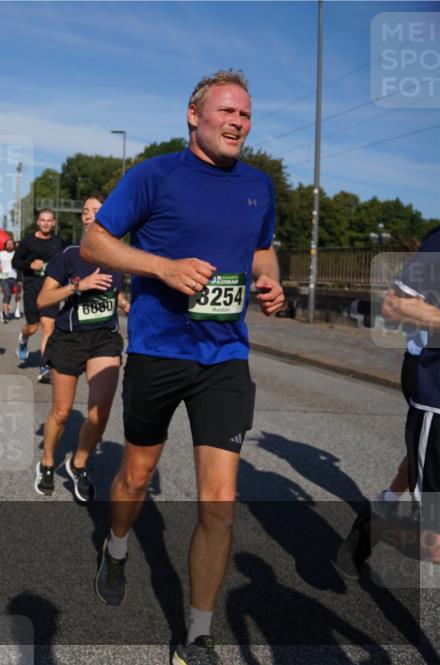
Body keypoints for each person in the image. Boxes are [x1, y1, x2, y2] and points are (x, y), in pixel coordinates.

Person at [80, 70, 285, 665]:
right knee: (136, 477)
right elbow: (95, 243)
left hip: (225, 357)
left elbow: (262, 248)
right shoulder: (154, 175)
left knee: (220, 500)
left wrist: (270, 281)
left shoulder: (258, 185)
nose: (238, 123)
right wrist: (163, 268)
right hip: (159, 352)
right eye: (227, 111)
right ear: (194, 115)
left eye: (245, 115)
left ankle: (196, 634)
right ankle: (118, 545)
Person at [337, 226, 440, 576]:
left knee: (418, 458)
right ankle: (380, 522)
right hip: (428, 376)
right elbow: (395, 305)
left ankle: (386, 507)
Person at [35, 195, 129, 501]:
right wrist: (77, 286)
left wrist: (124, 302)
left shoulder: (119, 255)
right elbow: (43, 299)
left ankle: (78, 464)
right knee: (62, 413)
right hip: (70, 339)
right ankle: (47, 461)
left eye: (97, 211)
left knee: (100, 413)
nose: (89, 215)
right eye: (85, 211)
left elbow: (113, 291)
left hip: (104, 339)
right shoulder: (70, 255)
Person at [14, 209, 64, 383]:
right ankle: (23, 338)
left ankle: (44, 366)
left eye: (49, 220)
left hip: (51, 289)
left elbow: (64, 264)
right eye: (43, 220)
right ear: (38, 222)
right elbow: (15, 262)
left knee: (48, 326)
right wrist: (30, 264)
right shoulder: (28, 241)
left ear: (53, 223)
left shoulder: (58, 242)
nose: (46, 223)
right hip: (32, 288)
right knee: (33, 327)